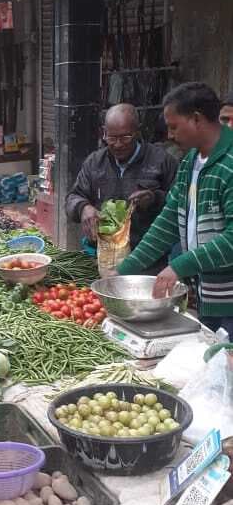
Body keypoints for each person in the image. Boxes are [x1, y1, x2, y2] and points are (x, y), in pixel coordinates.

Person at [117, 82, 233, 339]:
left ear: (196, 119)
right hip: (208, 294)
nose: (169, 135)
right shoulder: (190, 162)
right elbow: (169, 220)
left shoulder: (230, 164)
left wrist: (180, 266)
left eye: (174, 126)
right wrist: (125, 270)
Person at [66, 103, 178, 249]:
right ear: (104, 133)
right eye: (111, 138)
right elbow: (72, 198)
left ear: (137, 132)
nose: (118, 145)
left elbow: (179, 205)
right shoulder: (95, 162)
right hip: (104, 253)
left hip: (147, 254)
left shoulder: (162, 161)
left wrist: (154, 199)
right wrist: (83, 207)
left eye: (125, 137)